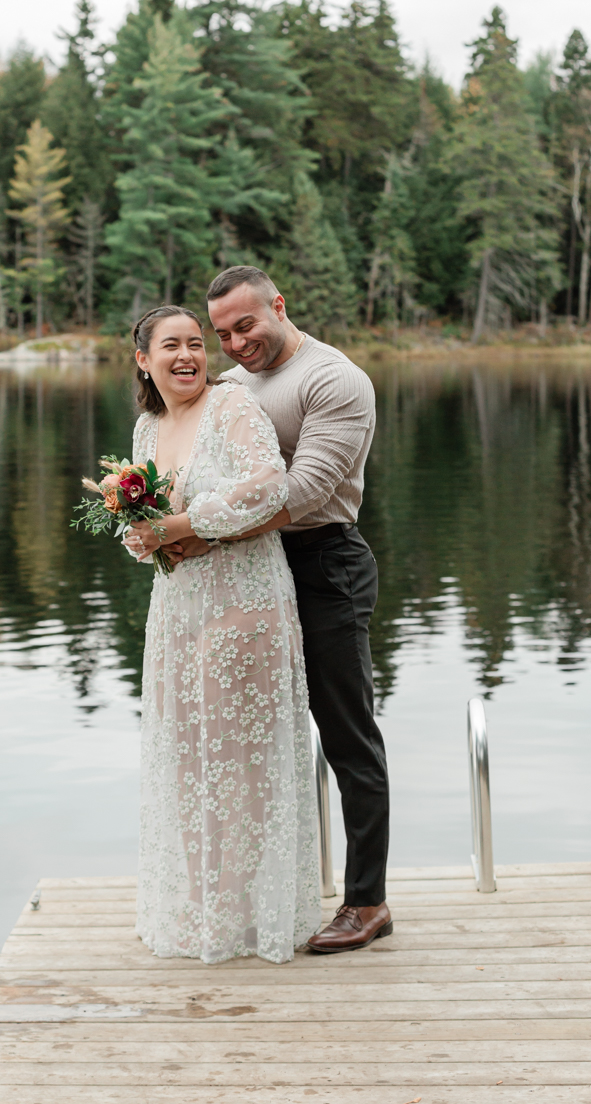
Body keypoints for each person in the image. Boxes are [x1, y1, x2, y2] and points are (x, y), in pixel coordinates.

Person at [176, 265, 392, 954]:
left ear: (279, 305)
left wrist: (187, 534)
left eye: (248, 325)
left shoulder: (335, 380)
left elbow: (294, 496)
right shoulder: (233, 388)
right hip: (245, 576)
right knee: (247, 739)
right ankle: (255, 894)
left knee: (346, 734)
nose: (237, 344)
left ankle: (367, 901)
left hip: (325, 564)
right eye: (223, 334)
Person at [122, 304, 321, 965]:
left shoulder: (233, 408)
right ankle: (209, 905)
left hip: (245, 603)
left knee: (243, 765)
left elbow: (270, 488)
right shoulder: (146, 430)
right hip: (178, 609)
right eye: (169, 346)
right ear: (143, 361)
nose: (187, 356)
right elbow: (147, 519)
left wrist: (186, 527)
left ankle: (255, 912)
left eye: (195, 344)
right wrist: (144, 539)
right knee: (188, 758)